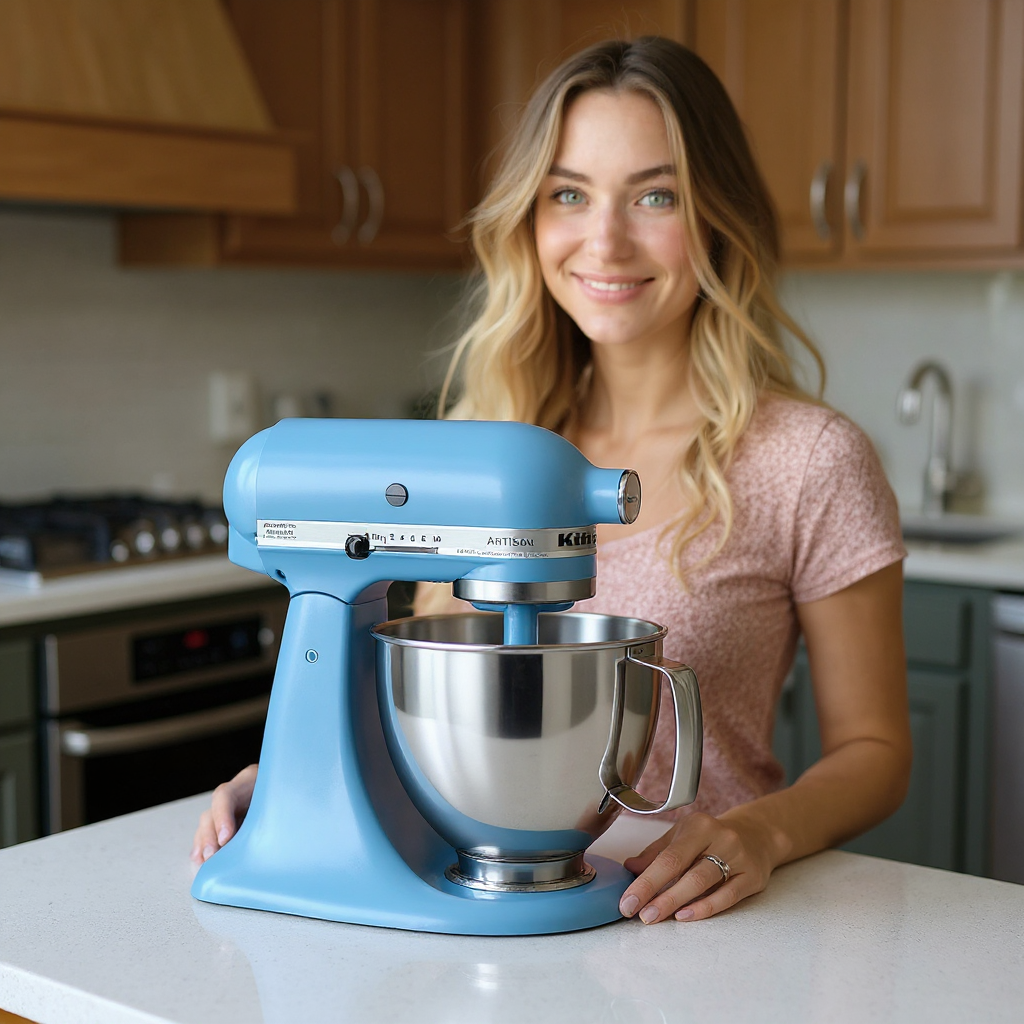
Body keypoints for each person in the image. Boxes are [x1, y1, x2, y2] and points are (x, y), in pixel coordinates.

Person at [192, 37, 911, 926]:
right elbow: (407, 691)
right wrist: (300, 773)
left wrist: (758, 833)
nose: (603, 240)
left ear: (719, 216)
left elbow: (875, 748)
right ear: (530, 219)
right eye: (568, 194)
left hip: (686, 916)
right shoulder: (473, 448)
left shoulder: (811, 460)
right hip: (466, 906)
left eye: (656, 195)